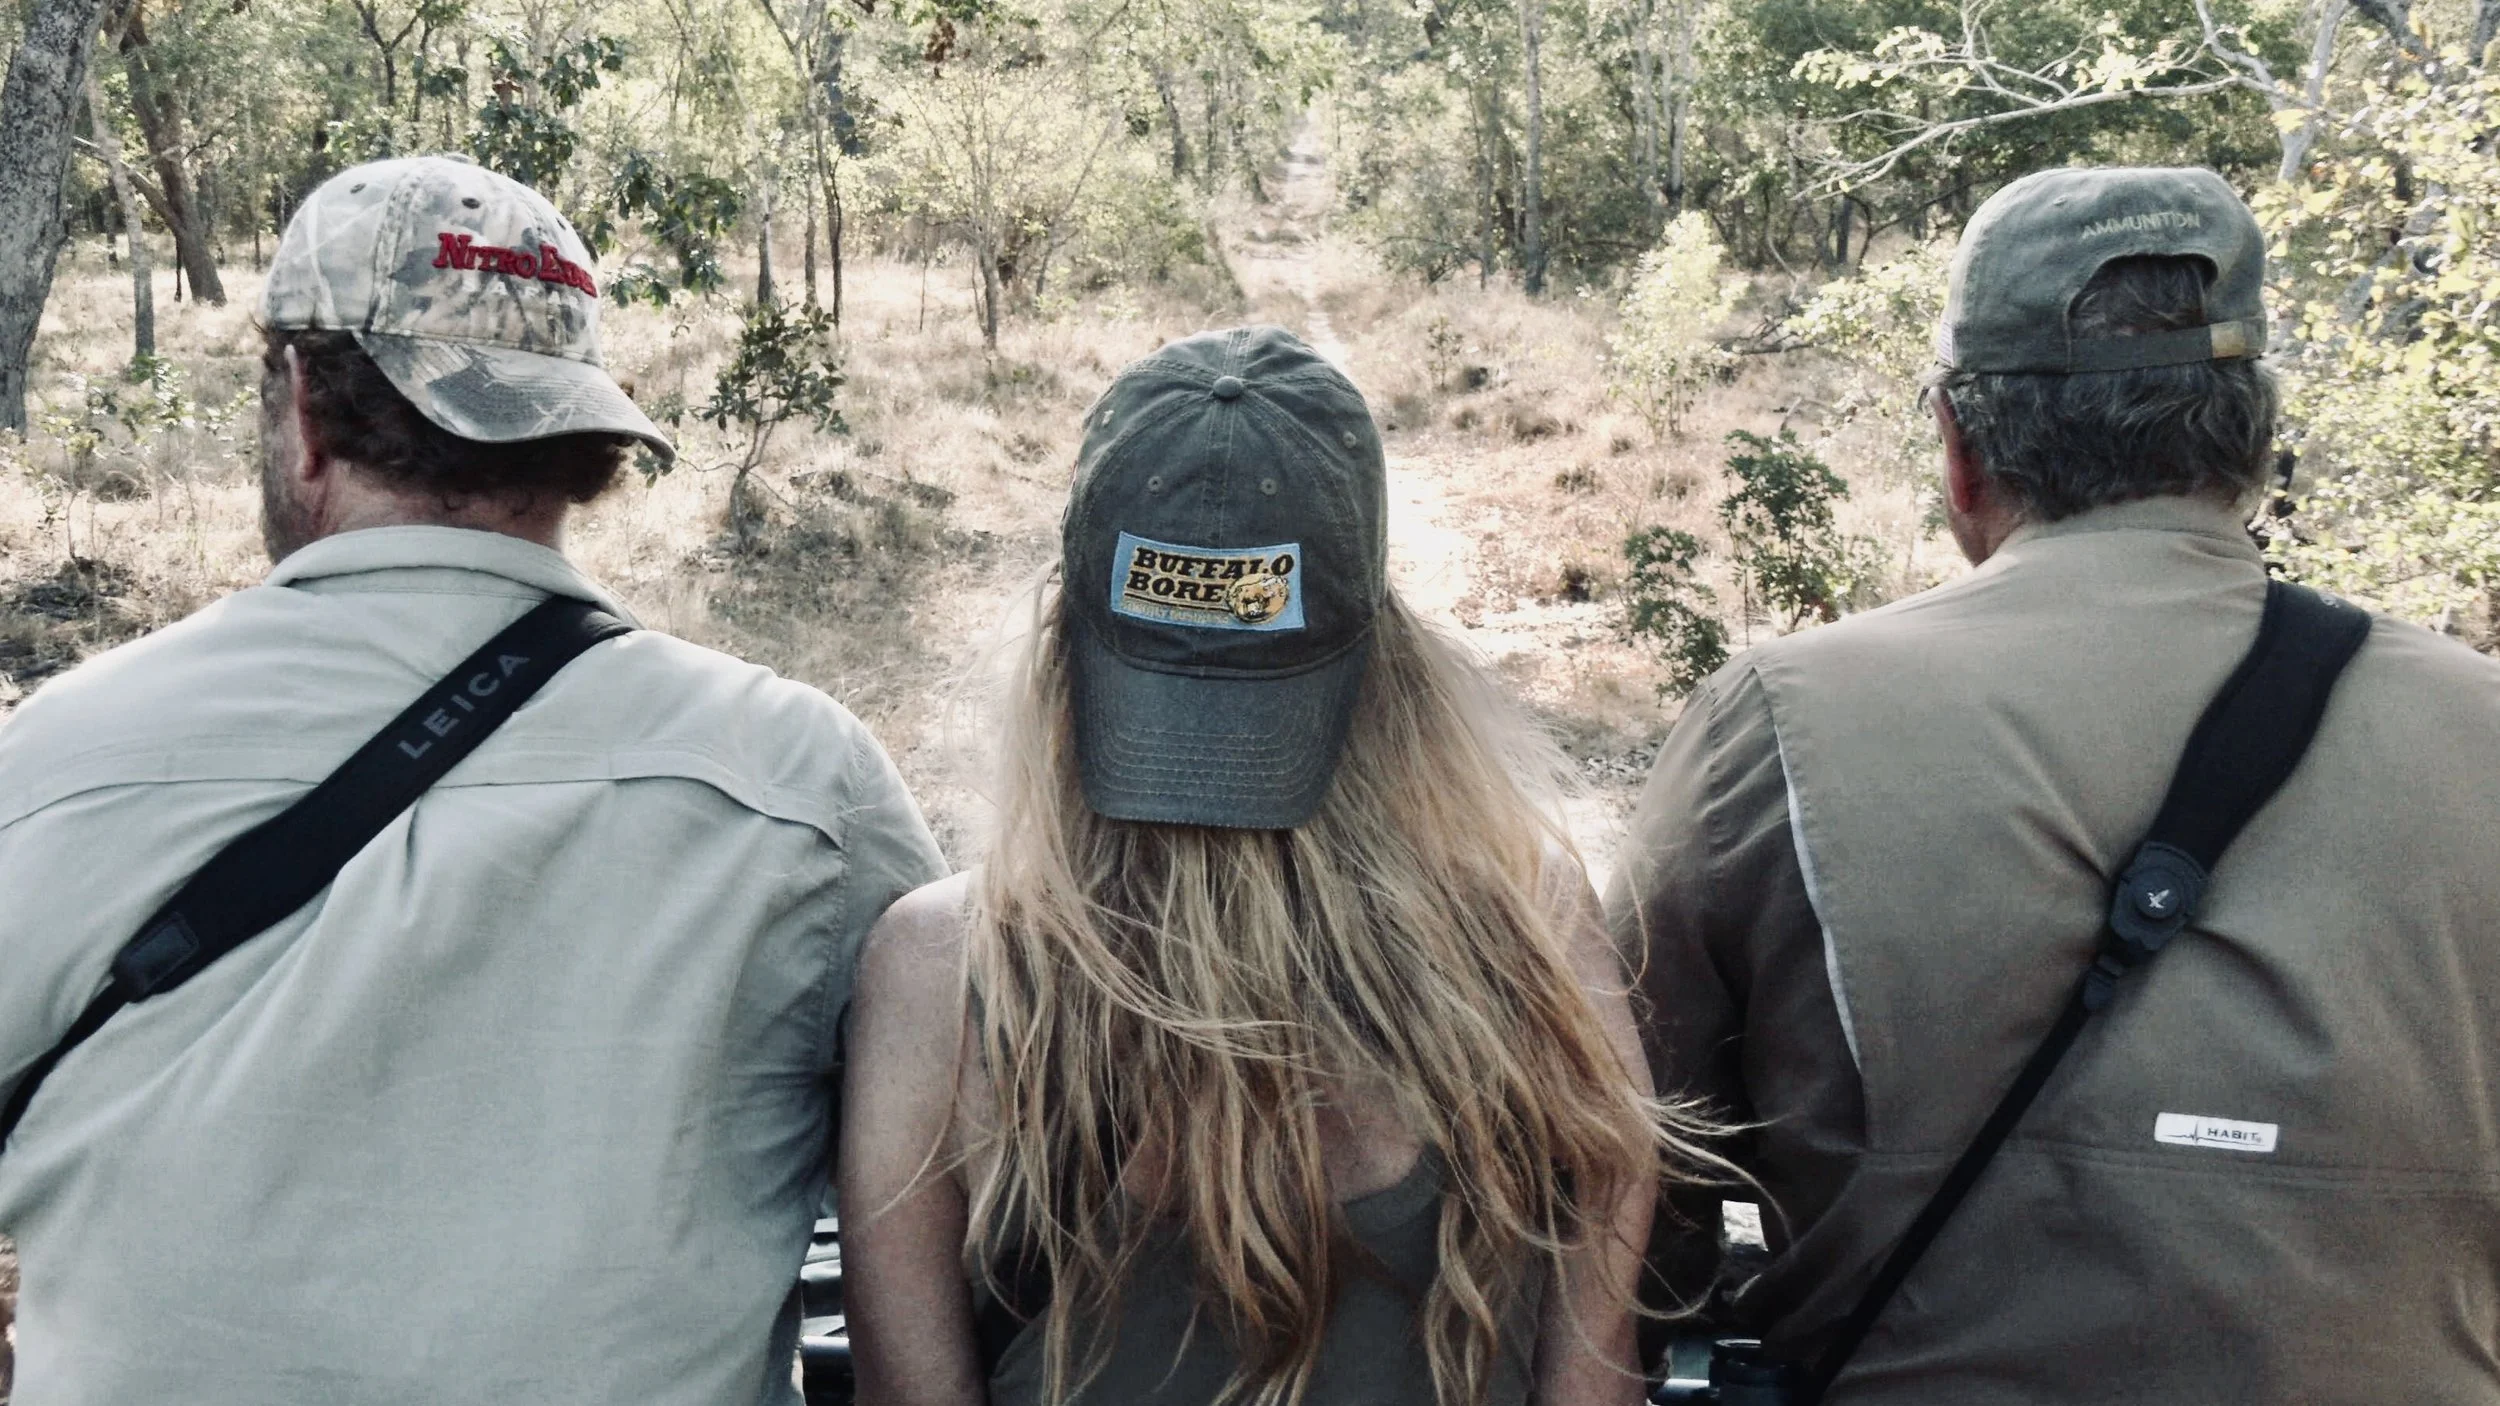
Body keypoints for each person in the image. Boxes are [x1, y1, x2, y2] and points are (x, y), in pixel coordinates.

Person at [0, 156, 945, 1404]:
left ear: (302, 406)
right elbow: (947, 1207)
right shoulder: (799, 780)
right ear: (581, 440)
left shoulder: (52, 760)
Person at [1609, 165, 2500, 1402]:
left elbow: (1628, 1179)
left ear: (1959, 448)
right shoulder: (2479, 724)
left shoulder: (1781, 719)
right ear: (2251, 443)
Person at [838, 326, 1716, 1406]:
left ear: (1063, 644)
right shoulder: (1535, 932)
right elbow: (1593, 1384)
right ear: (1387, 661)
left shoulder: (938, 973)